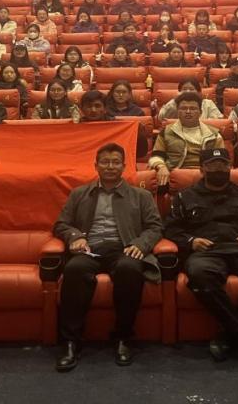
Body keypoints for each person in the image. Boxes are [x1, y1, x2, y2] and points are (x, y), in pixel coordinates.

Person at [164, 148, 238, 369]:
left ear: (230, 167)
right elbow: (171, 229)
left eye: (223, 164)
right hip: (206, 251)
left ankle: (229, 335)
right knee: (200, 275)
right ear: (202, 169)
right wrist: (190, 241)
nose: (218, 168)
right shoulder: (184, 196)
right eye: (212, 165)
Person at [51, 143, 163, 371]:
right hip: (89, 248)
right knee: (74, 270)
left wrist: (140, 244)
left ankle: (123, 337)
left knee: (129, 269)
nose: (110, 166)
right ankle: (71, 341)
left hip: (123, 248)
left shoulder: (141, 196)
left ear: (123, 166)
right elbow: (61, 224)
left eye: (115, 162)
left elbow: (155, 227)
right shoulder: (79, 193)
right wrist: (75, 237)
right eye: (105, 162)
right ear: (96, 165)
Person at [149, 92, 226, 186]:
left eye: (193, 108)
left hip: (205, 176)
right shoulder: (166, 132)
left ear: (200, 112)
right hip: (173, 174)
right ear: (177, 111)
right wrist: (161, 167)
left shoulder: (213, 134)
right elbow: (156, 156)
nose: (188, 111)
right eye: (183, 108)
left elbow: (221, 160)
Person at [156, 79, 223, 120]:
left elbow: (218, 120)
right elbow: (161, 118)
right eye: (184, 89)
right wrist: (175, 101)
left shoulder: (208, 103)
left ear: (199, 92)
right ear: (179, 92)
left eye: (191, 89)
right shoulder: (175, 103)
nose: (188, 92)